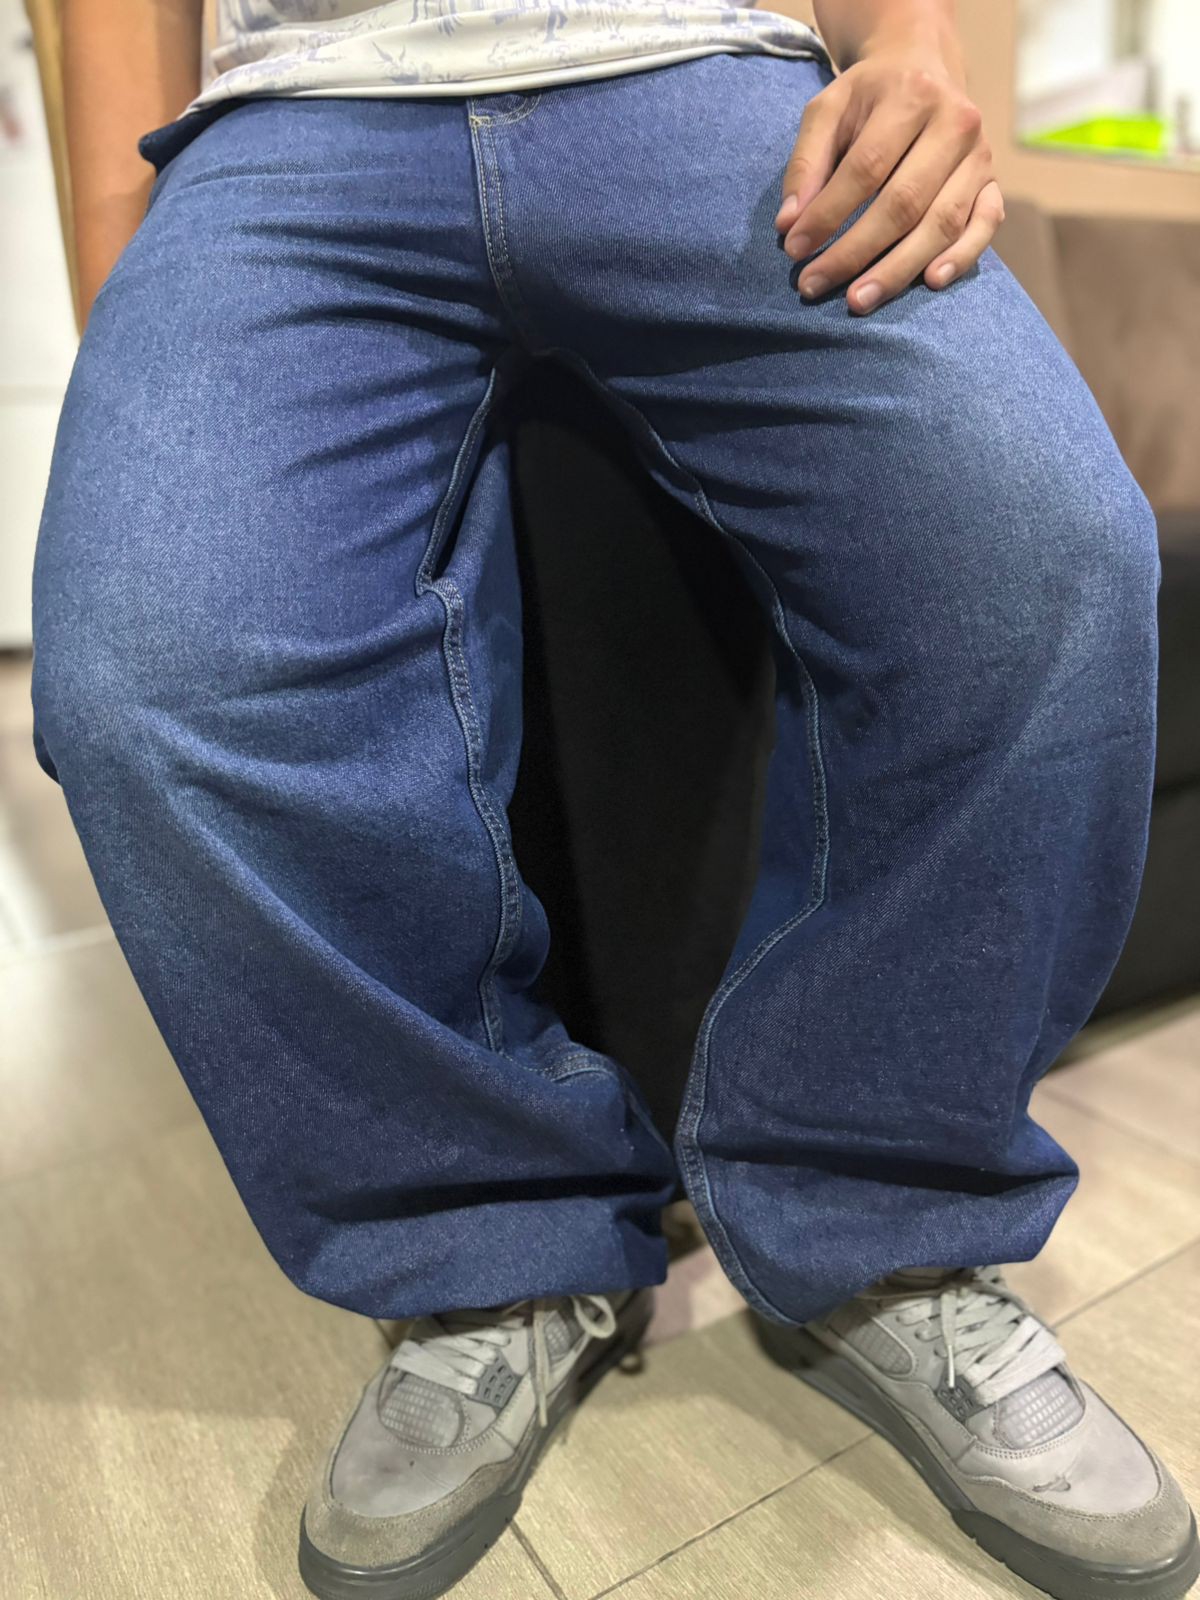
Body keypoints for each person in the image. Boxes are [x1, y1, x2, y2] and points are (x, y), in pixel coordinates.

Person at [32, 2, 1197, 1598]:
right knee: (145, 672)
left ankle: (883, 1217)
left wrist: (912, 40)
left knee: (1038, 564)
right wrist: (121, 262)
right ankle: (485, 1245)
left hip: (702, 68)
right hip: (295, 116)